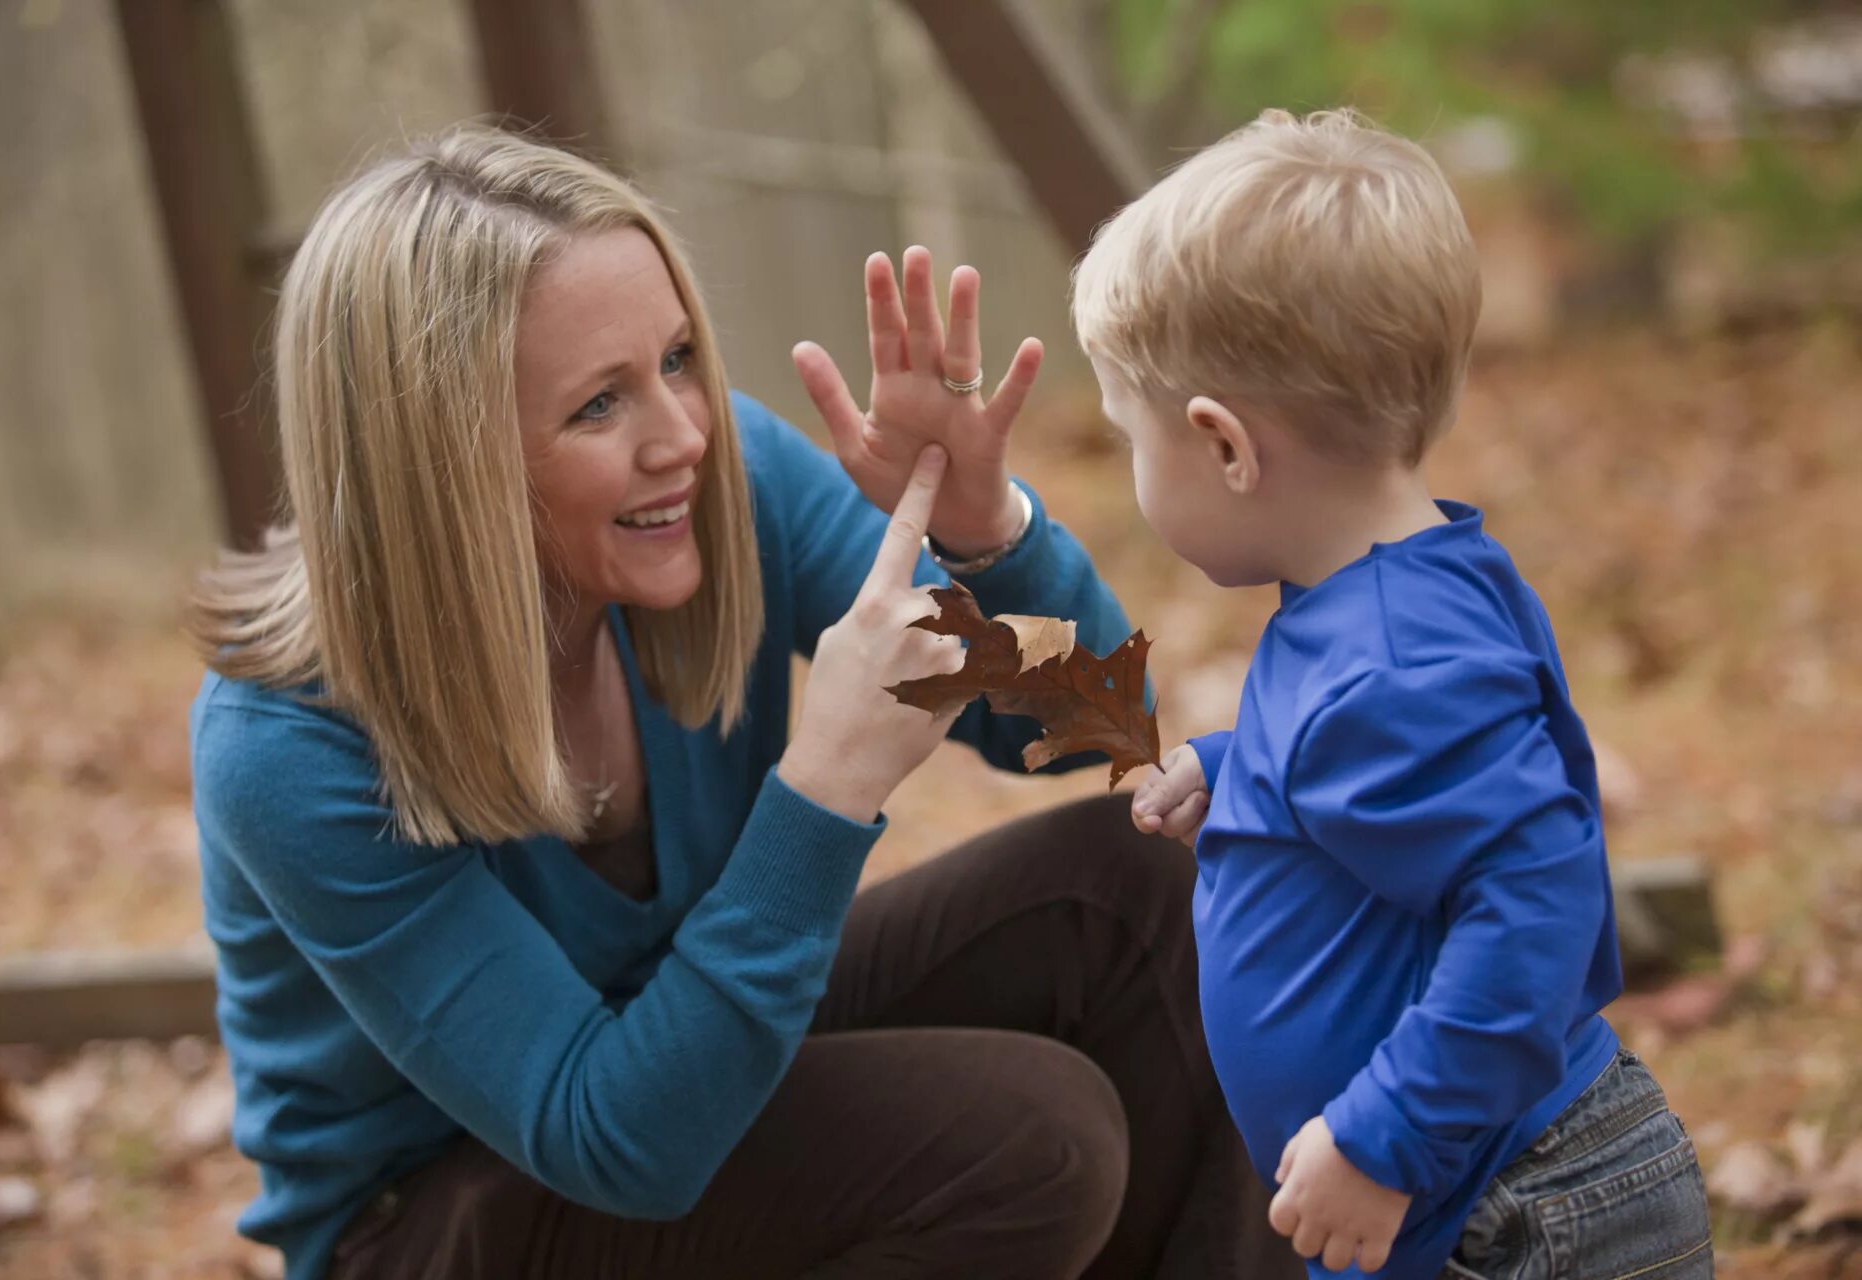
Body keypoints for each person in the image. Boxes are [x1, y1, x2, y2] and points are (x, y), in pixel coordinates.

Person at [187, 124, 1297, 1280]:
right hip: (436, 1209)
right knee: (1031, 1140)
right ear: (445, 463)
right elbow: (615, 1139)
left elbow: (1096, 729)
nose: (683, 433)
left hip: (681, 1044)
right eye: (598, 405)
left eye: (676, 360)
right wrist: (823, 791)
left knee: (1137, 886)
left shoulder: (721, 487)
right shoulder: (287, 738)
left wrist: (986, 533)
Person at [1077, 109, 1714, 1279]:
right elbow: (1395, 772)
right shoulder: (1381, 606)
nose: (1129, 463)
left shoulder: (1387, 663)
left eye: (1130, 433)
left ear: (1224, 446)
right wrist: (1240, 769)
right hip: (1468, 1191)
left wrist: (1386, 1138)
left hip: (1516, 1207)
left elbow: (1536, 901)